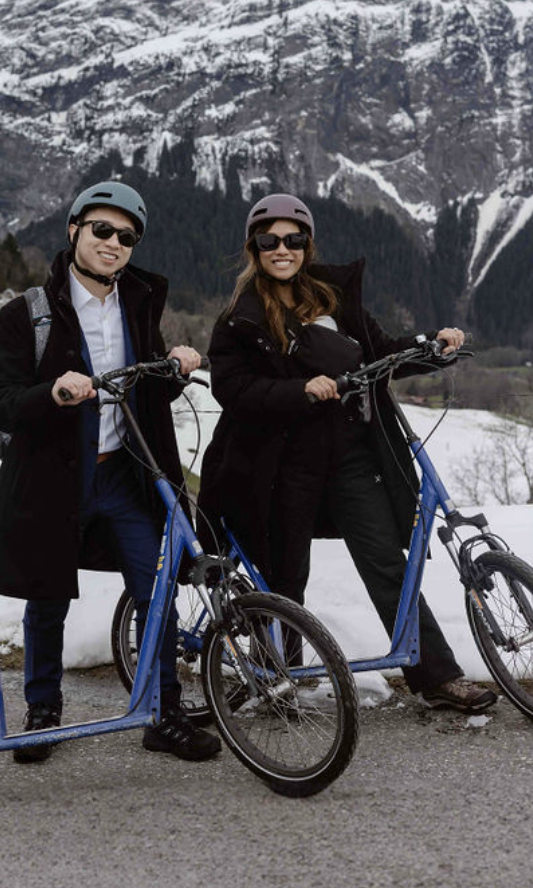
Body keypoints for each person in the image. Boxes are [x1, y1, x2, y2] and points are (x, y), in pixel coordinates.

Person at [199, 192, 498, 713]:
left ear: (307, 244)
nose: (282, 248)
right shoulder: (239, 318)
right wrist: (299, 390)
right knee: (284, 573)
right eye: (270, 240)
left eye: (293, 239)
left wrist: (431, 347)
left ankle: (438, 678)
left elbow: (379, 353)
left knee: (386, 563)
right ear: (254, 247)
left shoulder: (334, 296)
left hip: (352, 458)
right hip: (282, 464)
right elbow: (232, 388)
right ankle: (276, 676)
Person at [0, 180, 220, 763]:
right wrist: (53, 392)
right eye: (102, 230)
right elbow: (1, 400)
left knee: (155, 590)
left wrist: (176, 367)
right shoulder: (26, 314)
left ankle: (163, 715)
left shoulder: (136, 305)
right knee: (47, 595)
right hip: (53, 476)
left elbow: (144, 388)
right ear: (74, 232)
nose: (113, 243)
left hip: (125, 475)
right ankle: (43, 711)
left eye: (126, 236)